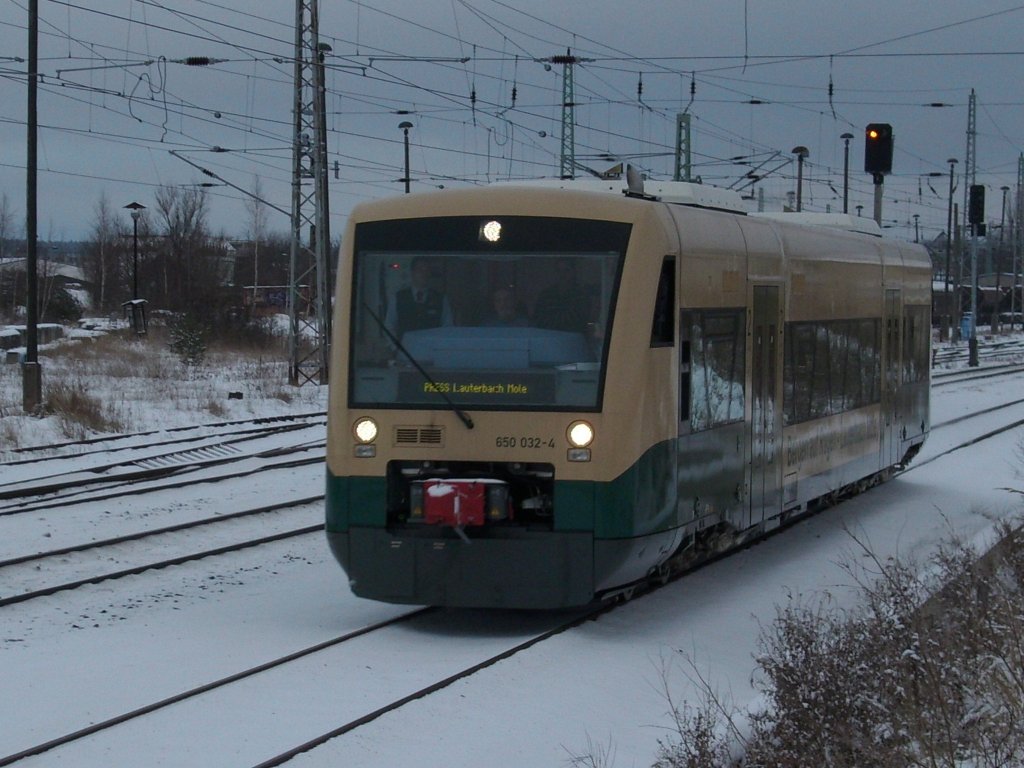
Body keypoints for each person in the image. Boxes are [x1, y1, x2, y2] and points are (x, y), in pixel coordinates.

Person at [385, 257, 452, 340]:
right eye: (420, 269)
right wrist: (396, 346)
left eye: (427, 270)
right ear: (412, 272)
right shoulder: (398, 297)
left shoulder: (441, 299)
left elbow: (447, 327)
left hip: (431, 346)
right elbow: (389, 326)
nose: (424, 273)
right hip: (405, 346)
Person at [532, 259, 591, 333]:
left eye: (567, 270)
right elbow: (538, 318)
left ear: (574, 272)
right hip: (548, 336)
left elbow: (578, 321)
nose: (562, 274)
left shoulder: (581, 295)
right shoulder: (546, 295)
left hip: (573, 337)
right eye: (559, 271)